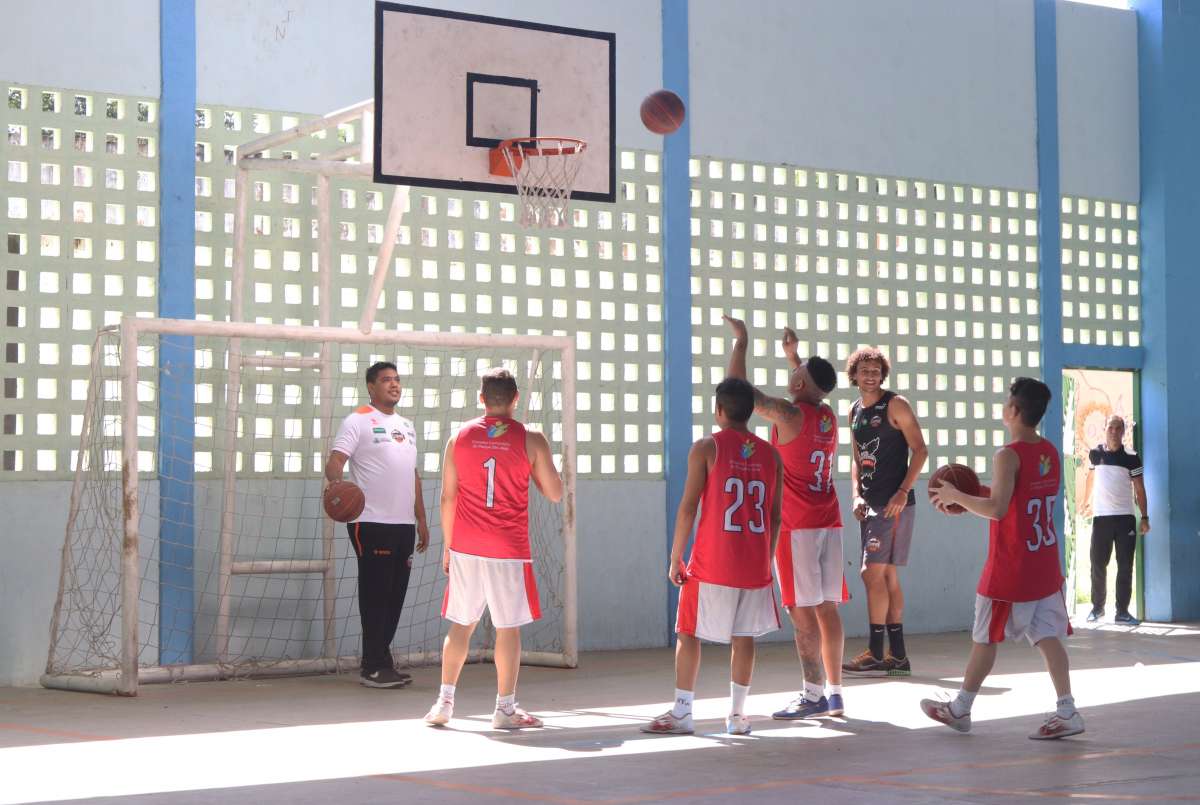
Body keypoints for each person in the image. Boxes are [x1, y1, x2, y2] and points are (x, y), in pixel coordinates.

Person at [925, 377, 1084, 740]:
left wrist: (956, 494)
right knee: (1048, 637)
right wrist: (973, 492)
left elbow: (998, 510)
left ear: (1013, 410)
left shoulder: (1007, 454)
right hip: (1043, 564)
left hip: (1010, 570)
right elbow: (1014, 498)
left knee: (985, 638)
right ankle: (1067, 710)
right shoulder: (1049, 452)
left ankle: (960, 709)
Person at [641, 377, 783, 737]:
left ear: (719, 411)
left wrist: (676, 558)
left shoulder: (706, 447)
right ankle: (737, 716)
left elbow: (689, 507)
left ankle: (683, 712)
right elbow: (776, 515)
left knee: (688, 632)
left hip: (711, 562)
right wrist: (765, 560)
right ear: (751, 411)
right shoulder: (771, 454)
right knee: (744, 636)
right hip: (754, 563)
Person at [424, 368, 563, 729]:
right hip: (508, 548)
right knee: (508, 628)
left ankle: (444, 702)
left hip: (466, 544)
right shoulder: (531, 438)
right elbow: (555, 492)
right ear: (516, 399)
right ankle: (504, 708)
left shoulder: (458, 437)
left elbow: (447, 496)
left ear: (481, 399)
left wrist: (448, 547)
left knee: (461, 624)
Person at [723, 316, 847, 719]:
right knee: (828, 609)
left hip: (798, 529)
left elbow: (741, 393)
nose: (793, 373)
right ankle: (834, 691)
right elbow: (808, 384)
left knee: (801, 611)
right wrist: (795, 357)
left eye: (797, 372)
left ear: (798, 386)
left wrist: (742, 342)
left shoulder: (790, 416)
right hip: (830, 521)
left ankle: (812, 695)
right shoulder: (826, 415)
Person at [325, 361, 430, 688]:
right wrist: (336, 486)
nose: (394, 385)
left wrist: (422, 518)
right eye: (386, 380)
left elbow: (412, 474)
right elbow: (335, 462)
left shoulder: (407, 425)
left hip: (403, 524)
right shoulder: (357, 420)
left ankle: (382, 659)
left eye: (397, 380)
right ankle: (371, 667)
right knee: (376, 594)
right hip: (370, 522)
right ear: (371, 386)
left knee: (395, 595)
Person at [843, 347, 928, 676]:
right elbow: (855, 458)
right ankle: (899, 655)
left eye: (876, 369)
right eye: (864, 370)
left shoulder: (896, 404)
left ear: (883, 373)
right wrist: (855, 496)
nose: (871, 374)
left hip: (892, 504)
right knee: (887, 575)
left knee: (870, 574)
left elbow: (920, 450)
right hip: (869, 504)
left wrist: (903, 492)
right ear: (854, 374)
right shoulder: (853, 412)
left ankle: (877, 653)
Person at [1081, 415, 1149, 625]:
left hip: (1125, 519)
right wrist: (1086, 502)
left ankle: (1122, 611)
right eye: (1111, 427)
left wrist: (1144, 517)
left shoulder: (1131, 457)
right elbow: (1091, 478)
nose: (1114, 431)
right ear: (1105, 429)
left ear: (1123, 432)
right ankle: (1097, 608)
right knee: (1098, 563)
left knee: (1125, 565)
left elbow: (1139, 488)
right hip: (1101, 518)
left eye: (1118, 428)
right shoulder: (1095, 454)